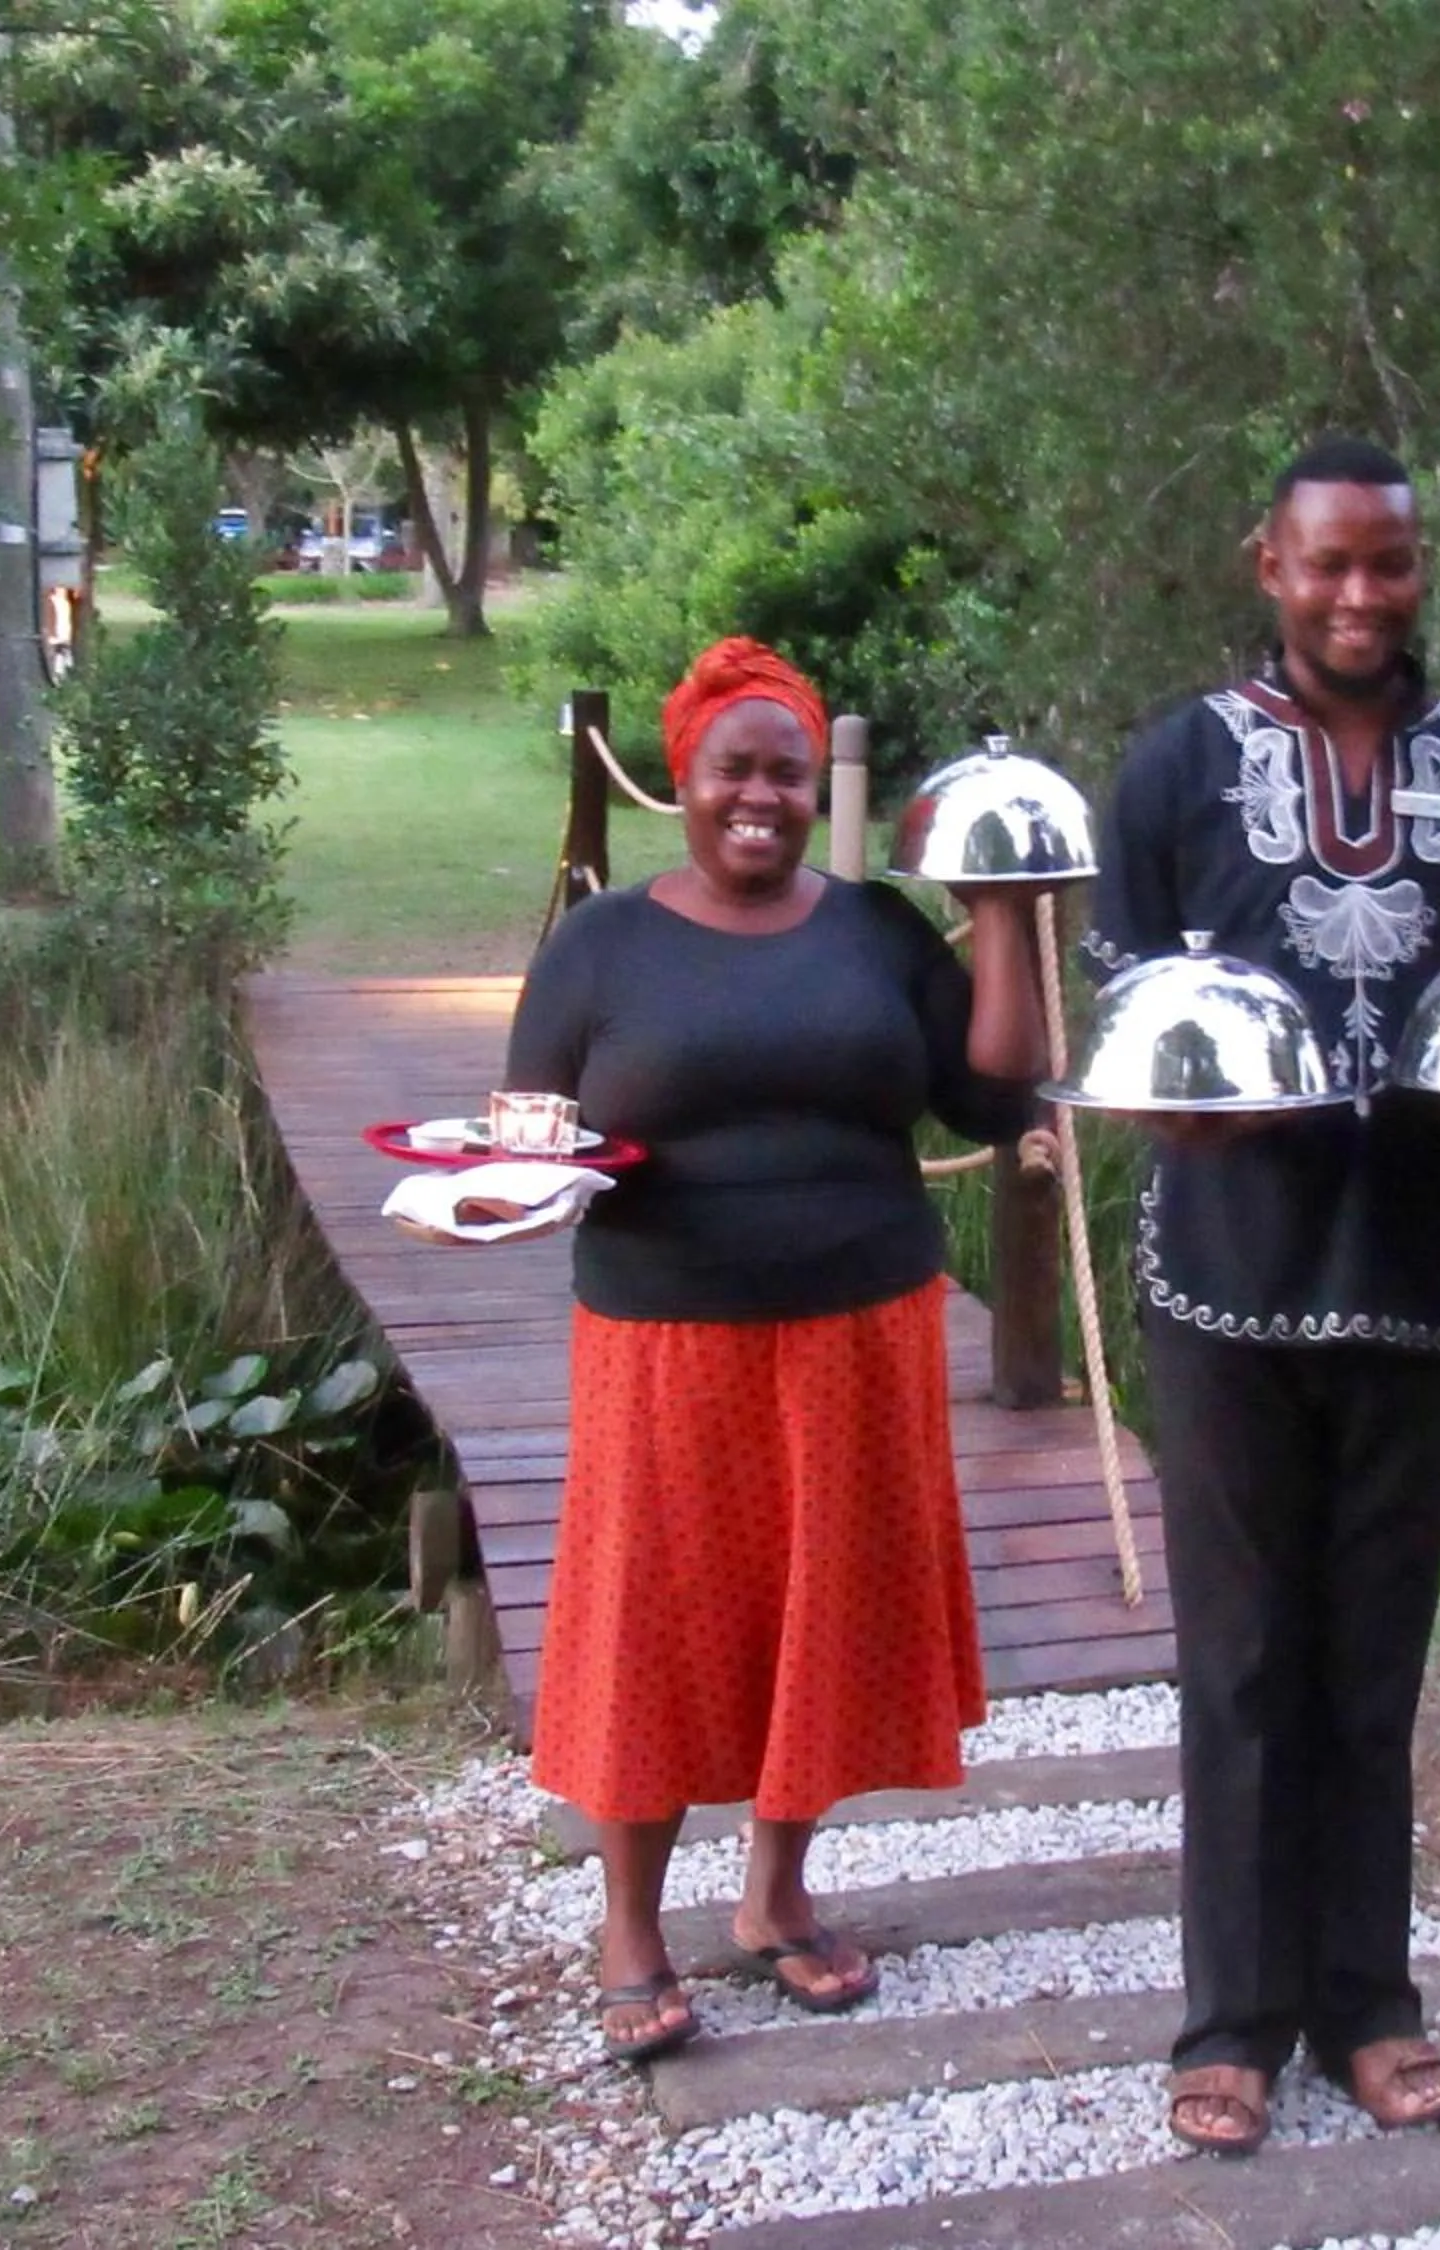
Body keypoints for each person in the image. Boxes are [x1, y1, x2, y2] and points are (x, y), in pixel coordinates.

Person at [1082, 438, 1440, 2155]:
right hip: (1224, 1284)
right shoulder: (1176, 773)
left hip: (1416, 1274)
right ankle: (1229, 2019)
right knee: (1237, 1661)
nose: (1361, 597)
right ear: (1266, 565)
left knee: (1375, 1666)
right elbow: (1130, 1032)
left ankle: (1370, 2002)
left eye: (1393, 567)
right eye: (1328, 566)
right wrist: (1208, 1100)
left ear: (1422, 574)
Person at [503, 637, 1049, 2064]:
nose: (758, 794)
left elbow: (995, 1100)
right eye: (731, 768)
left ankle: (777, 1891)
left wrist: (1002, 913)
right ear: (679, 777)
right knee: (654, 1619)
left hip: (859, 1327)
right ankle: (630, 1920)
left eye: (786, 772)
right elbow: (523, 1123)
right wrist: (499, 1185)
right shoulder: (601, 943)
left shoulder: (875, 930)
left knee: (822, 1609)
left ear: (819, 789)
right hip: (665, 1334)